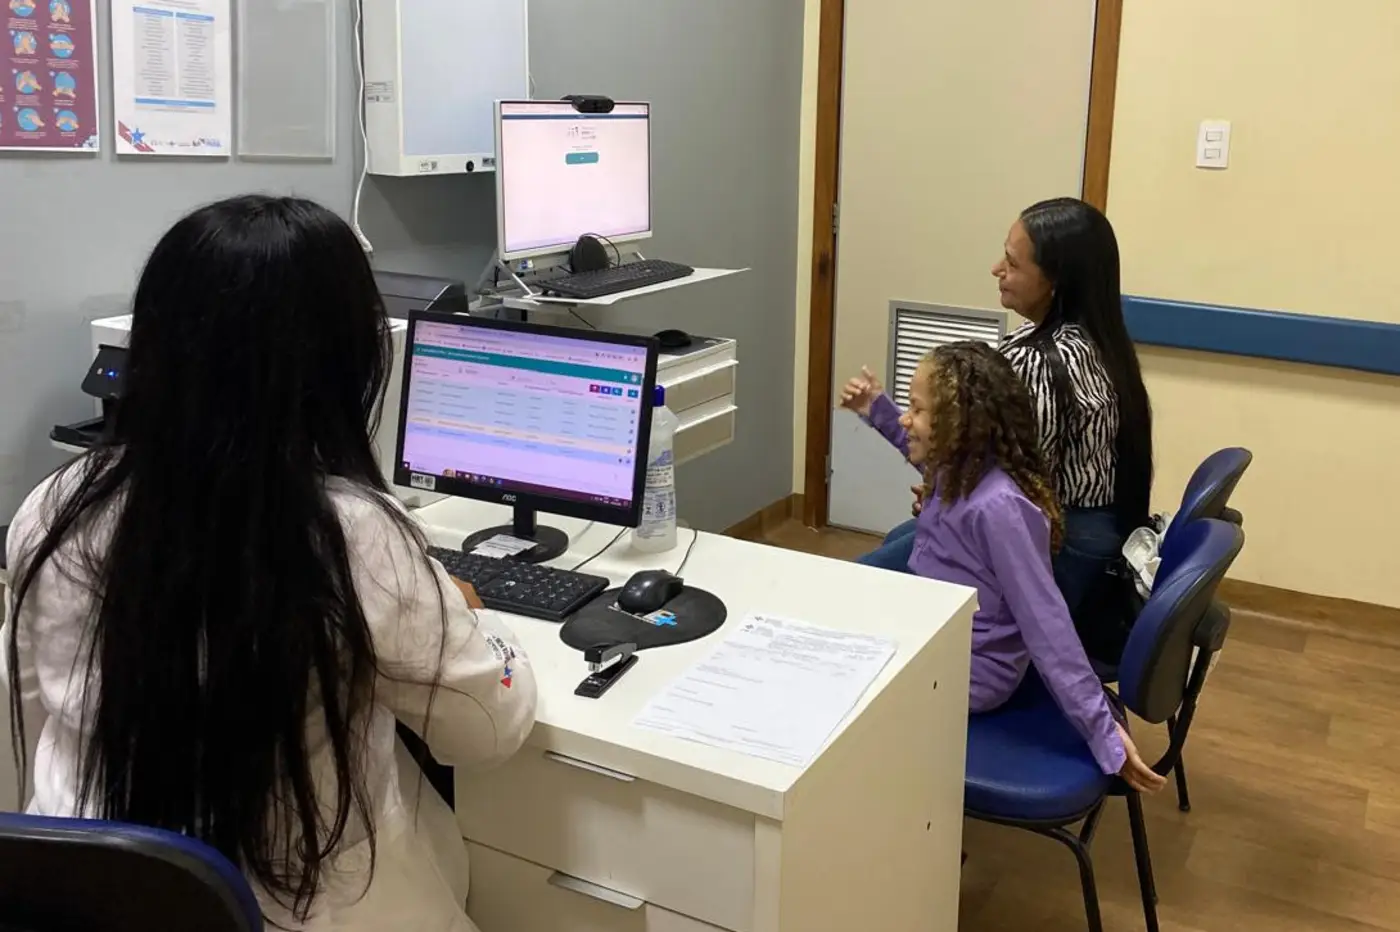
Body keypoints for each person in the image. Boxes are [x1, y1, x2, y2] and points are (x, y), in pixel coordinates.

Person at [2, 195, 536, 931]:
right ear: (344, 361)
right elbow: (485, 729)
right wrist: (477, 620)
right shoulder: (352, 534)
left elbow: (30, 714)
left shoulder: (56, 505)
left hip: (92, 899)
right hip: (301, 906)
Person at [844, 341, 1164, 792]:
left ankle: (886, 802)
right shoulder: (959, 470)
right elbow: (919, 450)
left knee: (837, 672)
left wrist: (1102, 730)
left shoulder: (998, 507)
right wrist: (876, 408)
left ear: (957, 425)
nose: (905, 420)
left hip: (972, 670)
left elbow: (1047, 624)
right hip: (942, 638)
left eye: (916, 409)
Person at [847, 198, 1152, 619]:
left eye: (1012, 262)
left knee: (858, 584)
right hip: (1081, 533)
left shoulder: (1040, 363)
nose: (997, 269)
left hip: (1051, 549)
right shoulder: (1094, 340)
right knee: (900, 540)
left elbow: (998, 486)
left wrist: (942, 494)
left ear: (1055, 281)